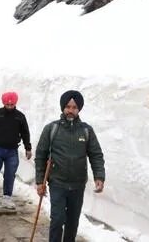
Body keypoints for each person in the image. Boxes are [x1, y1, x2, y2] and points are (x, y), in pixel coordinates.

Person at [35, 90, 105, 242]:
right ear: (63, 108)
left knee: (72, 223)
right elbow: (40, 155)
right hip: (57, 183)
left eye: (74, 107)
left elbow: (96, 154)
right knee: (57, 219)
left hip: (77, 185)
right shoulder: (52, 129)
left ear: (79, 109)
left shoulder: (86, 130)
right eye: (67, 107)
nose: (70, 110)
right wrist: (40, 181)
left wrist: (99, 176)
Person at [0, 91, 31, 209]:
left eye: (12, 104)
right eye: (7, 104)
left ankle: (6, 198)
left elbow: (25, 133)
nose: (10, 106)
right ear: (3, 103)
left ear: (15, 103)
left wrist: (28, 148)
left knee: (10, 174)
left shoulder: (20, 116)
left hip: (12, 151)